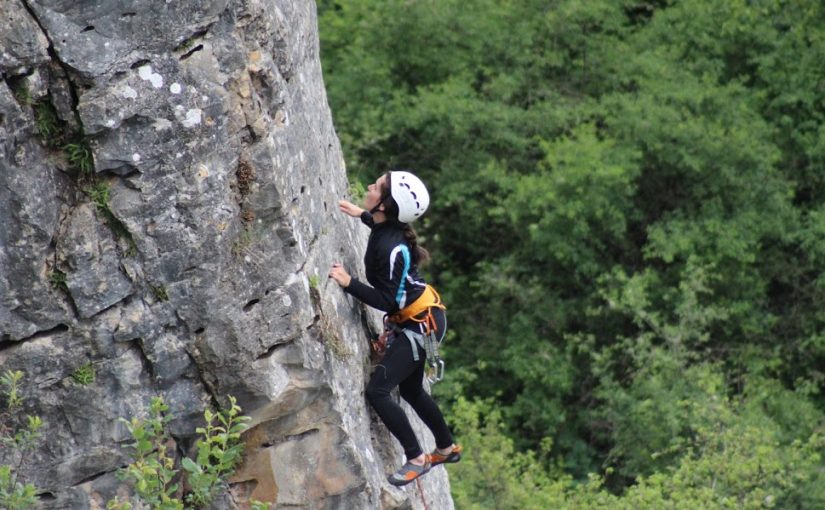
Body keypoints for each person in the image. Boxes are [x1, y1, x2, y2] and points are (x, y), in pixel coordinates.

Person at [329, 170, 462, 486]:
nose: (371, 186)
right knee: (412, 390)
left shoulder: (392, 248)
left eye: (377, 187)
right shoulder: (387, 227)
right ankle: (446, 447)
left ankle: (416, 457)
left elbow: (388, 301)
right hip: (423, 319)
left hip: (421, 326)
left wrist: (350, 284)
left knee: (377, 391)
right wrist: (361, 213)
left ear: (385, 206)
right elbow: (382, 229)